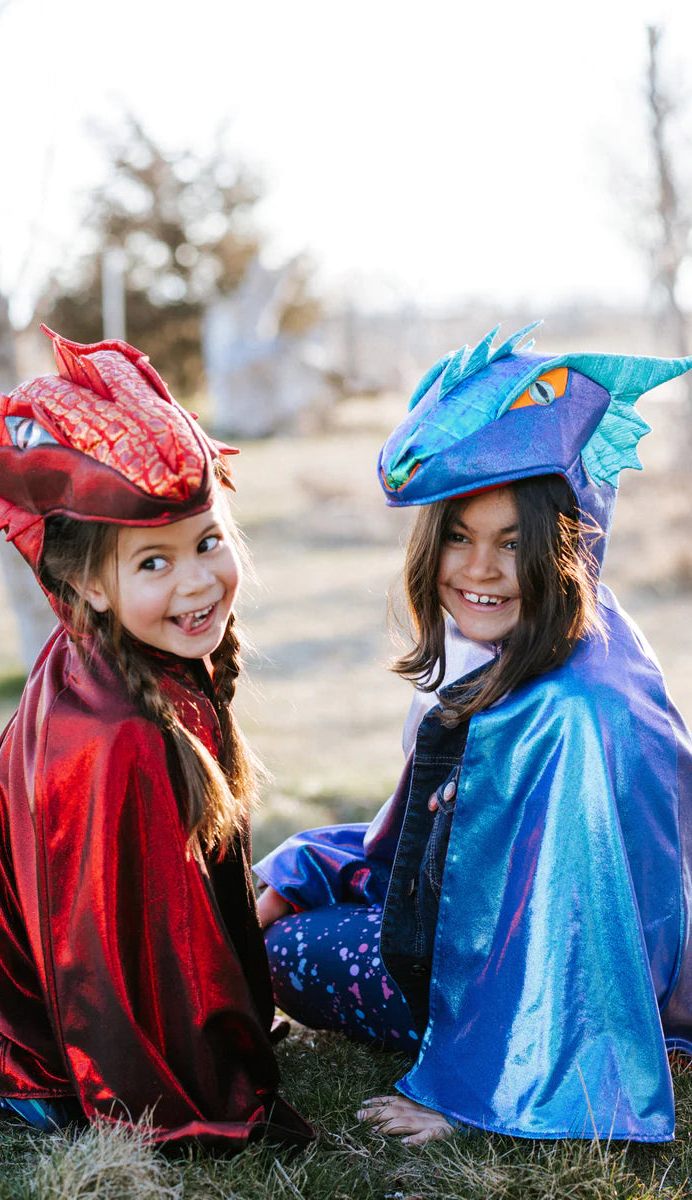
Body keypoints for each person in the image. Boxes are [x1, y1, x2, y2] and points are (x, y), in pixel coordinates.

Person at [255, 323, 692, 1144]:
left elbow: (574, 943)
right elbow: (424, 849)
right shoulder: (535, 650)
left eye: (514, 543)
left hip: (533, 982)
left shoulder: (573, 714)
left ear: (567, 548)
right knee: (273, 906)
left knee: (290, 955)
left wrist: (475, 1094)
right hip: (469, 932)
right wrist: (302, 869)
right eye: (459, 535)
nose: (479, 569)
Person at [0, 328, 311, 1150]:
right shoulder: (113, 731)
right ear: (87, 582)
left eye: (208, 541)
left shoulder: (134, 655)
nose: (196, 580)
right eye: (152, 563)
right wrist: (191, 1096)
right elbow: (107, 943)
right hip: (39, 1028)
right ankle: (2, 1088)